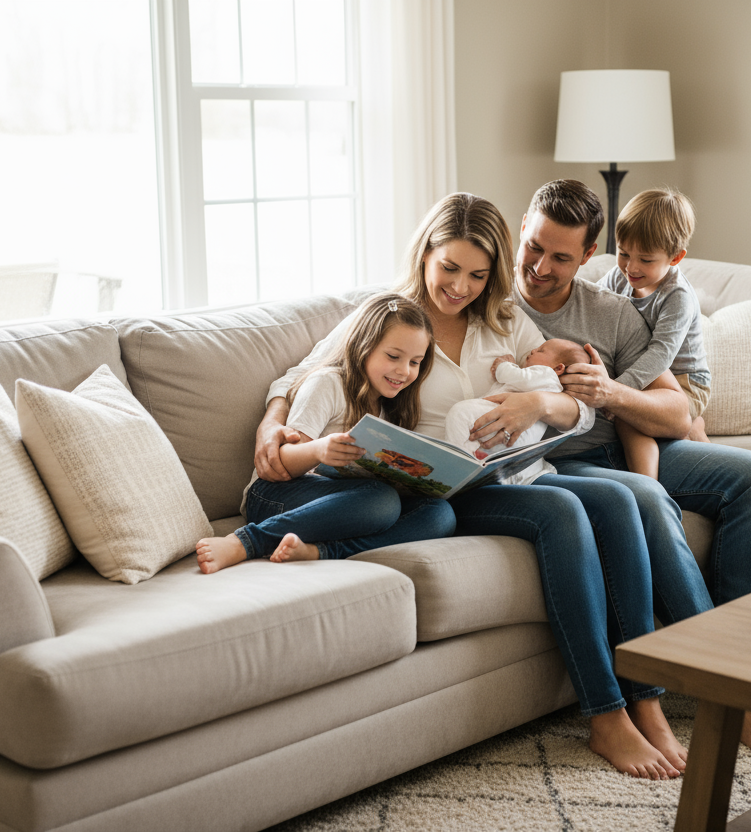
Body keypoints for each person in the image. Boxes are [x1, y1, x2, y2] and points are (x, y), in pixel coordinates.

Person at [254, 193, 709, 779]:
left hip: (504, 473)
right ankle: (606, 714)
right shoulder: (389, 316)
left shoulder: (504, 320)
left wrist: (539, 402)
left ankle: (648, 704)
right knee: (563, 514)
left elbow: (584, 412)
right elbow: (298, 374)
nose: (460, 287)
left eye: (477, 273)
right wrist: (272, 424)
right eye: (449, 268)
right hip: (436, 488)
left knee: (623, 498)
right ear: (426, 255)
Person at [515, 179, 751, 756]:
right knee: (645, 498)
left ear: (586, 256)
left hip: (624, 442)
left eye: (562, 257)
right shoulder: (489, 305)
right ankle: (724, 690)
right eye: (533, 247)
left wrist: (611, 393)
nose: (541, 267)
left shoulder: (614, 310)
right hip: (560, 464)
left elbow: (674, 409)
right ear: (521, 228)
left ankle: (740, 653)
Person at [196, 292, 455, 573]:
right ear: (363, 346)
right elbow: (281, 462)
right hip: (275, 494)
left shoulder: (391, 405)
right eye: (394, 356)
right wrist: (319, 450)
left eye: (415, 362)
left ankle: (321, 551)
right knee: (381, 500)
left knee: (438, 514)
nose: (404, 371)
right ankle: (247, 542)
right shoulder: (328, 384)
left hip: (345, 501)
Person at [598, 187, 711, 480]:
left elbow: (661, 354)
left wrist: (622, 388)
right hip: (648, 375)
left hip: (686, 382)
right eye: (623, 253)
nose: (631, 267)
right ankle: (692, 427)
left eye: (646, 260)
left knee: (629, 416)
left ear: (675, 257)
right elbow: (592, 301)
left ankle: (648, 487)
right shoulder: (618, 276)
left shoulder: (677, 296)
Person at [443, 337, 588, 465]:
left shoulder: (546, 375)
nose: (532, 351)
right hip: (518, 439)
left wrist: (503, 365)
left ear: (558, 368)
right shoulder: (547, 384)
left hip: (513, 428)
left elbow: (516, 376)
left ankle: (457, 461)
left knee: (460, 412)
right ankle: (475, 456)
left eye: (541, 351)